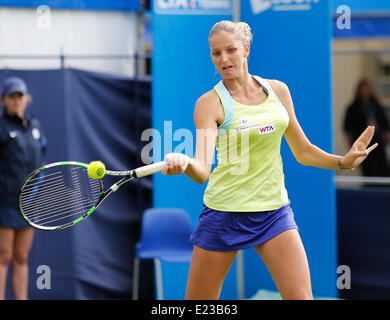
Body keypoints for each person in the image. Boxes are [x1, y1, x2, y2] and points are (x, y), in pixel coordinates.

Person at [160, 20, 378, 300]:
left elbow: (304, 151)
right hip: (224, 212)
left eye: (231, 50)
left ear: (246, 49)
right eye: (216, 53)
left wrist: (342, 162)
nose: (224, 59)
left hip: (274, 211)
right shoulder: (209, 104)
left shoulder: (279, 91)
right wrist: (185, 163)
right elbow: (202, 170)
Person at [0, 77, 47, 299]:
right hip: (5, 202)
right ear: (4, 100)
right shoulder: (1, 127)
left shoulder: (35, 127)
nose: (16, 101)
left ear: (27, 99)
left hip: (30, 203)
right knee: (3, 255)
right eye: (12, 96)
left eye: (20, 96)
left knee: (21, 256)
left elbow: (41, 157)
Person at [344, 79, 390, 177]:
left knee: (383, 169)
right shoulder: (353, 108)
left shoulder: (377, 106)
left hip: (378, 143)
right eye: (362, 90)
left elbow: (385, 125)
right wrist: (351, 146)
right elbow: (348, 130)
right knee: (368, 170)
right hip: (362, 145)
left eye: (366, 89)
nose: (364, 92)